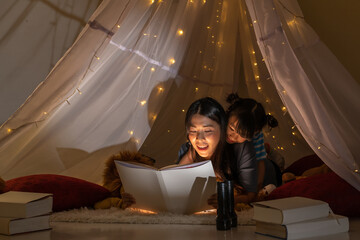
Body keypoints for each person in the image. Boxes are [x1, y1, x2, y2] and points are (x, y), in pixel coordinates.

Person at [178, 97, 258, 206]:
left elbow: (251, 194)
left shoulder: (242, 149)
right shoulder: (186, 150)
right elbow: (177, 182)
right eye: (193, 131)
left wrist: (229, 199)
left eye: (207, 131)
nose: (199, 138)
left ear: (222, 128)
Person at [225, 93, 280, 198]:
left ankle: (270, 152)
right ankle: (268, 149)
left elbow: (260, 163)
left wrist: (256, 188)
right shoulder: (220, 125)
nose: (233, 135)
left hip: (264, 168)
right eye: (231, 128)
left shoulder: (255, 137)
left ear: (254, 133)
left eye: (242, 134)